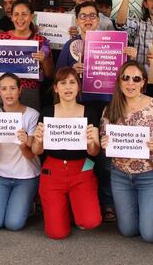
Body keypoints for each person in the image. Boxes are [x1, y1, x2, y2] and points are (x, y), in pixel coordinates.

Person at [57, 1, 136, 222]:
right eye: (83, 16)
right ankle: (80, 202)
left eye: (92, 15)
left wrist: (130, 56)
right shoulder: (70, 46)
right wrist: (71, 71)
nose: (88, 20)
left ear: (99, 20)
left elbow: (129, 76)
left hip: (109, 106)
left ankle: (108, 202)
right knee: (83, 155)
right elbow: (58, 77)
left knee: (106, 157)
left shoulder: (114, 43)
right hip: (80, 107)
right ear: (77, 20)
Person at [101, 60, 153, 243]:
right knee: (128, 230)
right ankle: (148, 212)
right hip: (121, 175)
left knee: (149, 235)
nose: (130, 83)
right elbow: (105, 145)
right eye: (126, 78)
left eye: (136, 79)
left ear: (143, 82)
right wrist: (105, 143)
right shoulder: (110, 108)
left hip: (151, 175)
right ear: (119, 81)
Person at [32, 67, 102, 239]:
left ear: (78, 86)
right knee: (56, 233)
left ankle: (74, 207)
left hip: (82, 169)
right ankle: (66, 210)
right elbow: (36, 150)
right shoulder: (47, 112)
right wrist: (38, 139)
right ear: (56, 88)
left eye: (72, 82)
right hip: (53, 170)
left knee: (90, 221)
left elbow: (94, 153)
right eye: (63, 83)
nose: (68, 87)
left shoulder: (89, 112)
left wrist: (93, 142)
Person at [0, 73, 40, 231]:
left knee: (14, 224)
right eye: (4, 89)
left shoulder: (32, 115)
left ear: (20, 90)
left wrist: (23, 142)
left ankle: (28, 203)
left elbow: (30, 155)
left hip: (26, 176)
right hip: (1, 175)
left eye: (13, 88)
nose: (8, 92)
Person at [0, 0, 54, 112]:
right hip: (2, 91)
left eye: (24, 14)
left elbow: (50, 74)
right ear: (11, 17)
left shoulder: (41, 41)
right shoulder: (1, 38)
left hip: (28, 93)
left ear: (32, 16)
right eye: (16, 14)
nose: (20, 18)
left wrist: (44, 60)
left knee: (27, 127)